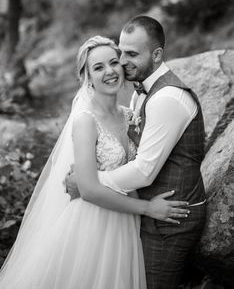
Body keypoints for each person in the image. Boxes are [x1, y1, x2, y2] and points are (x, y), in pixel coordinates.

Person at [0, 36, 189, 289]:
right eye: (98, 68)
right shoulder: (85, 121)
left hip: (127, 221)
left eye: (113, 62)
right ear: (87, 77)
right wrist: (148, 208)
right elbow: (87, 190)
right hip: (94, 224)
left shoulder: (130, 114)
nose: (109, 71)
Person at [66, 17, 207, 289]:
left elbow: (143, 171)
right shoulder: (138, 94)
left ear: (156, 55)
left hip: (171, 218)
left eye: (131, 54)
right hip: (140, 214)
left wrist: (88, 183)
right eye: (121, 51)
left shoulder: (168, 98)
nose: (122, 61)